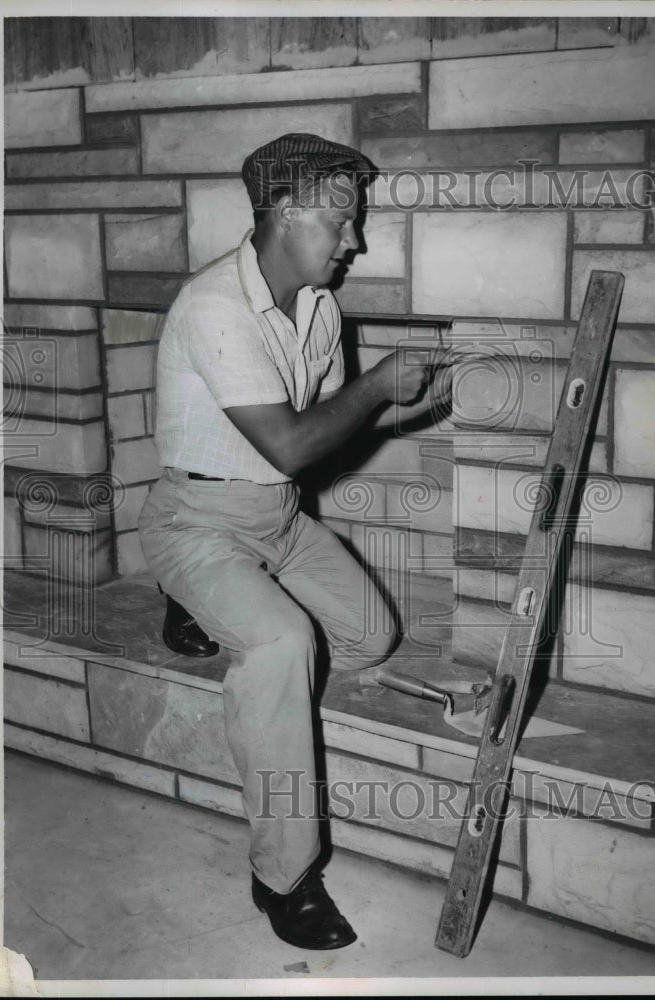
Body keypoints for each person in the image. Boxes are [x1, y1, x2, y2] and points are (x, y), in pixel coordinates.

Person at [138, 133, 453, 951]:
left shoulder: (320, 308)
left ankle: (229, 645)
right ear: (285, 211)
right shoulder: (212, 305)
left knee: (369, 636)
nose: (355, 241)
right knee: (281, 645)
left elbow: (326, 431)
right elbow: (288, 442)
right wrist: (377, 382)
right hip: (195, 520)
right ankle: (286, 875)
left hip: (276, 518)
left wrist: (408, 406)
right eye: (342, 220)